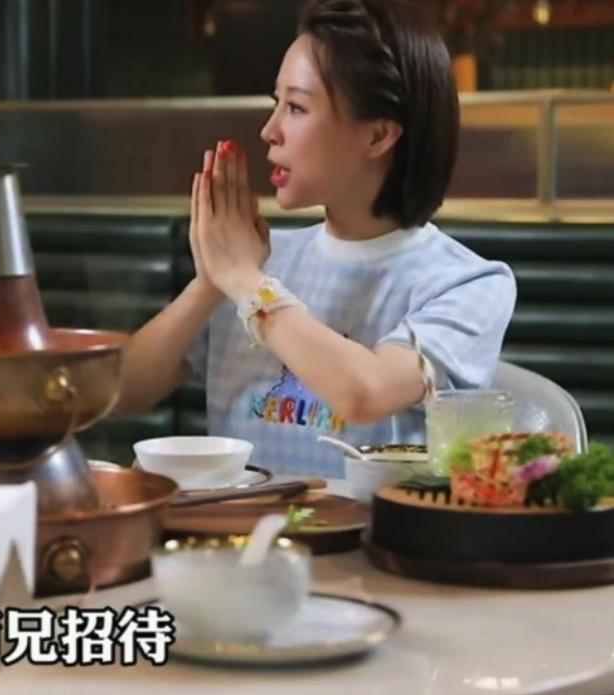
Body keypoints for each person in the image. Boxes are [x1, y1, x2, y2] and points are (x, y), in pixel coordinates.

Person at [116, 0, 517, 477]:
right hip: (239, 524)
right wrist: (210, 283)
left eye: (296, 107)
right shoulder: (257, 261)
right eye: (276, 103)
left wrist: (245, 282)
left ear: (378, 136)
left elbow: (366, 394)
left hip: (372, 527)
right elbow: (120, 392)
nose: (270, 131)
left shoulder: (468, 283)